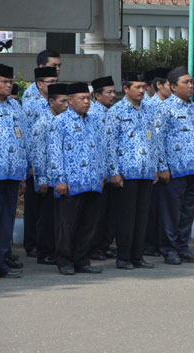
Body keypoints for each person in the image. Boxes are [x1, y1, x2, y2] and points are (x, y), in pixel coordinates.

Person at [47, 82, 105, 275]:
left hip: (92, 181)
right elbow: (54, 153)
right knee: (67, 224)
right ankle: (64, 260)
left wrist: (101, 174)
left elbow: (100, 149)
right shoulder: (60, 122)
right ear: (70, 101)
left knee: (88, 224)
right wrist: (59, 179)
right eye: (82, 98)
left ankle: (82, 260)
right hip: (70, 182)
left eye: (88, 98)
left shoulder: (94, 121)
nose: (87, 102)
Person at [105, 72, 159, 270]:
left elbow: (153, 140)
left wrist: (155, 167)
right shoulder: (116, 112)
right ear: (126, 88)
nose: (142, 91)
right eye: (137, 87)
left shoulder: (148, 110)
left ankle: (138, 256)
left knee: (142, 216)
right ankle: (124, 257)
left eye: (144, 87)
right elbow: (109, 144)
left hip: (145, 170)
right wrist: (114, 171)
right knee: (126, 217)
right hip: (126, 172)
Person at [155, 67, 194, 265]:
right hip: (174, 169)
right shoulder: (165, 108)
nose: (191, 86)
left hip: (193, 168)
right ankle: (168, 249)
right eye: (186, 82)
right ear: (174, 86)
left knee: (187, 211)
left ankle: (183, 247)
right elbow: (158, 140)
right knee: (171, 211)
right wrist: (162, 167)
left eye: (191, 82)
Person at [19, 66, 58, 261]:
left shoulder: (58, 102)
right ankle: (32, 244)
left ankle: (47, 245)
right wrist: (30, 164)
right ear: (39, 84)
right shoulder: (30, 105)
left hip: (52, 165)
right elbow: (26, 137)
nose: (54, 85)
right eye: (50, 82)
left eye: (55, 81)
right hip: (34, 164)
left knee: (48, 209)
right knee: (35, 208)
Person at [29, 83, 68, 266]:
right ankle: (44, 251)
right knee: (46, 218)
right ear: (51, 102)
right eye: (62, 101)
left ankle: (56, 250)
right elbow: (38, 154)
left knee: (59, 218)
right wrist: (41, 179)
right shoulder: (42, 123)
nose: (66, 105)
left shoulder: (64, 120)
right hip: (47, 178)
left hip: (61, 178)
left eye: (68, 101)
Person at [0, 63, 25, 279]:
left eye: (10, 82)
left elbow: (22, 140)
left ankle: (2, 262)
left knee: (6, 221)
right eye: (4, 82)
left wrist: (23, 171)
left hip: (12, 172)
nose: (8, 86)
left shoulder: (15, 107)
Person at [87, 76, 118, 261]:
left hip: (112, 171)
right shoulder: (92, 115)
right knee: (97, 213)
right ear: (97, 95)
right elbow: (97, 146)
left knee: (110, 211)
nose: (113, 96)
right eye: (109, 92)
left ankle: (105, 244)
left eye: (114, 92)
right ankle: (94, 246)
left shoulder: (112, 112)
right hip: (100, 172)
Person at [143, 67, 172, 257]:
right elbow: (154, 140)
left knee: (165, 208)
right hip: (154, 166)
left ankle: (162, 243)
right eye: (170, 84)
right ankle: (149, 244)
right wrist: (159, 166)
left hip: (171, 165)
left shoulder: (173, 106)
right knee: (151, 208)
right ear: (158, 85)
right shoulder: (151, 107)